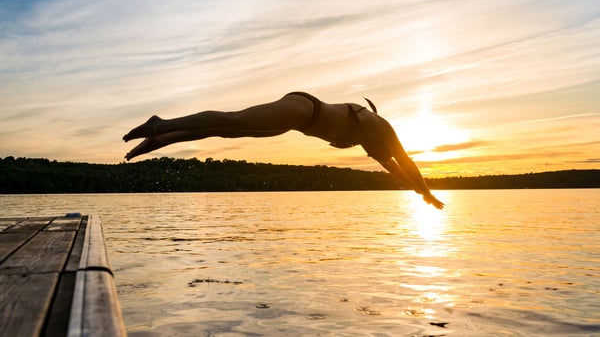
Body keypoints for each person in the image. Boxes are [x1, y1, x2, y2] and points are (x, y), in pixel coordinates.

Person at [123, 92, 444, 209]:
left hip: (298, 117)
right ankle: (160, 124)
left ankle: (162, 137)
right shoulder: (381, 129)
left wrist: (420, 191)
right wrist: (425, 191)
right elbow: (405, 163)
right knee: (232, 121)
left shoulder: (372, 135)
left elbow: (394, 168)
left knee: (227, 131)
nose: (379, 157)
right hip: (303, 111)